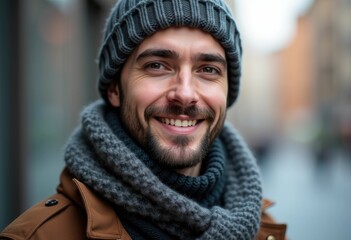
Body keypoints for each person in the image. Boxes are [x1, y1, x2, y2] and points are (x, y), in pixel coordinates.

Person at [0, 0, 287, 239]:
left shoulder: (263, 228)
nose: (185, 94)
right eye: (157, 65)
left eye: (208, 69)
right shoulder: (38, 235)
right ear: (115, 88)